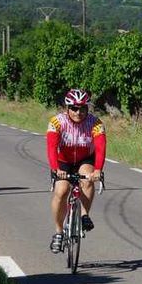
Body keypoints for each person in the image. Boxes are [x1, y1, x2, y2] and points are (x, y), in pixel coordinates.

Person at [46, 88, 105, 252]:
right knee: (61, 190)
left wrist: (98, 170)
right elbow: (51, 147)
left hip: (85, 158)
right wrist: (55, 169)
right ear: (67, 108)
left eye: (83, 108)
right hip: (63, 161)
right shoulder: (57, 122)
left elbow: (100, 148)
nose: (79, 112)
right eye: (74, 108)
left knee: (87, 179)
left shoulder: (96, 123)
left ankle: (84, 215)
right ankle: (58, 232)